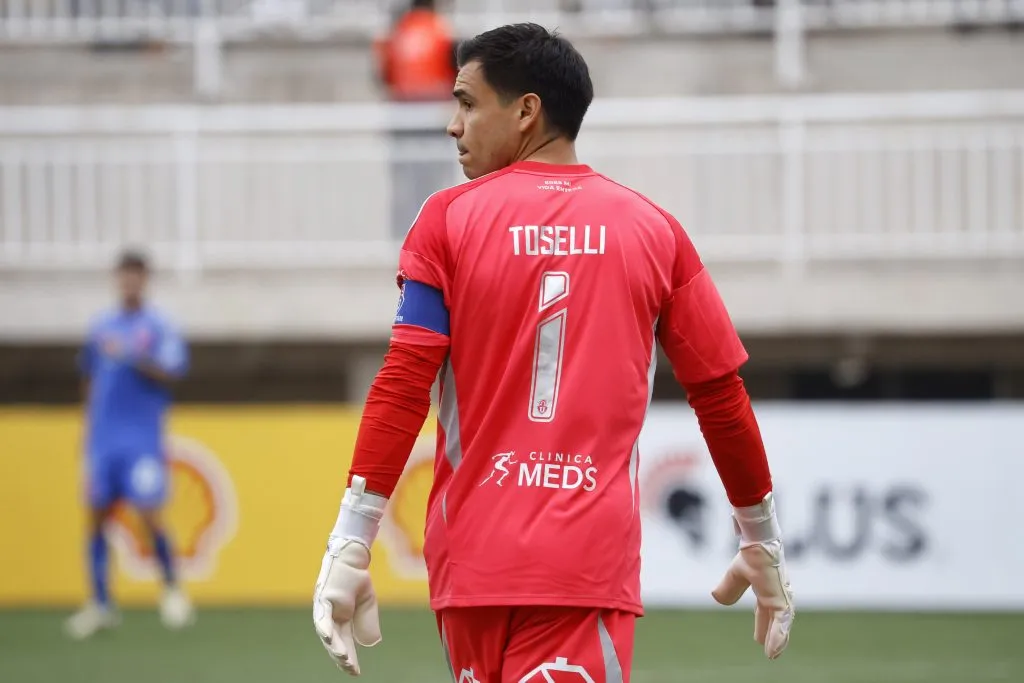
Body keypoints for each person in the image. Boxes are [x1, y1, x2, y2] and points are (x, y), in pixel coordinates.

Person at [313, 23, 795, 681]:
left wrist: (352, 537)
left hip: (471, 566)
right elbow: (719, 394)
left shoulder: (444, 220)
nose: (453, 126)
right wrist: (760, 534)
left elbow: (402, 383)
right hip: (584, 567)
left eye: (467, 103)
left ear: (526, 110)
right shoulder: (656, 231)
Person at [65, 249, 194, 640]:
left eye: (135, 276)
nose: (129, 283)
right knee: (96, 517)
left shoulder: (158, 327)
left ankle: (172, 590)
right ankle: (100, 603)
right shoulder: (101, 326)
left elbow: (173, 372)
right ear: (117, 280)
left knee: (149, 513)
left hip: (141, 440)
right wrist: (88, 429)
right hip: (103, 440)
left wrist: (135, 356)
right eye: (124, 276)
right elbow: (89, 378)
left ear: (144, 280)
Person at [373, 0, 459, 239]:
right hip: (434, 119)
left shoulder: (397, 31)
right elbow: (456, 72)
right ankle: (435, 239)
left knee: (404, 186)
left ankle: (403, 239)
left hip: (402, 118)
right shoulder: (442, 29)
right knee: (435, 186)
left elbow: (384, 76)